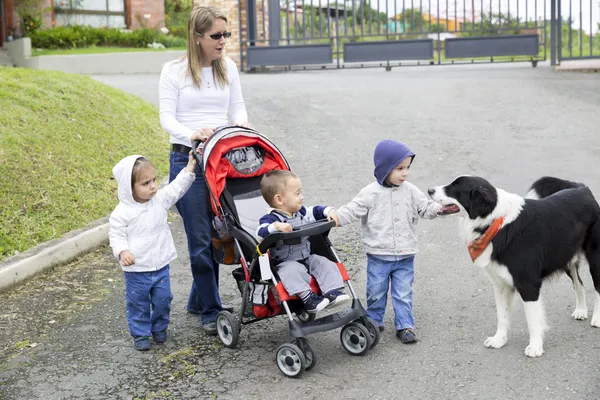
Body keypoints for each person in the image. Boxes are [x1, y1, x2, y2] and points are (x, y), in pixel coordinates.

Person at [158, 5, 251, 335]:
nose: (223, 41)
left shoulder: (228, 67)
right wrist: (192, 133)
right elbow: (166, 118)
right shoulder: (174, 71)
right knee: (200, 239)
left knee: (221, 233)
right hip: (189, 161)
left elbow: (236, 107)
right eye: (216, 35)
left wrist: (241, 126)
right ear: (197, 38)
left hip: (222, 159)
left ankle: (199, 299)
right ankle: (210, 311)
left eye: (226, 34)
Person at [336, 139, 450, 344]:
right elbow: (353, 209)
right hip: (379, 254)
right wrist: (336, 217)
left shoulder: (411, 190)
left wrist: (439, 208)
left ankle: (405, 326)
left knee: (403, 293)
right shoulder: (370, 193)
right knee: (376, 292)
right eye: (399, 168)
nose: (405, 173)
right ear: (384, 168)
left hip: (405, 254)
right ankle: (374, 321)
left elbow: (424, 207)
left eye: (407, 168)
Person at [108, 152, 196, 350]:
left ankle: (159, 327)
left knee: (163, 299)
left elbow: (176, 188)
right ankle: (140, 334)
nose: (153, 186)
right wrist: (123, 252)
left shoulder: (160, 200)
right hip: (137, 270)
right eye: (145, 183)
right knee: (138, 304)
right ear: (129, 188)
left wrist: (190, 168)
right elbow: (116, 236)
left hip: (160, 265)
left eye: (154, 180)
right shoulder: (121, 213)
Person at [256, 170, 351, 313]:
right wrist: (276, 227)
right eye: (297, 193)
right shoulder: (271, 219)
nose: (302, 197)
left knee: (324, 263)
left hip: (307, 257)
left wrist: (329, 211)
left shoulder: (302, 212)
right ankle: (308, 299)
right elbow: (260, 232)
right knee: (291, 272)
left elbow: (317, 210)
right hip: (285, 262)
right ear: (279, 199)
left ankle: (333, 292)